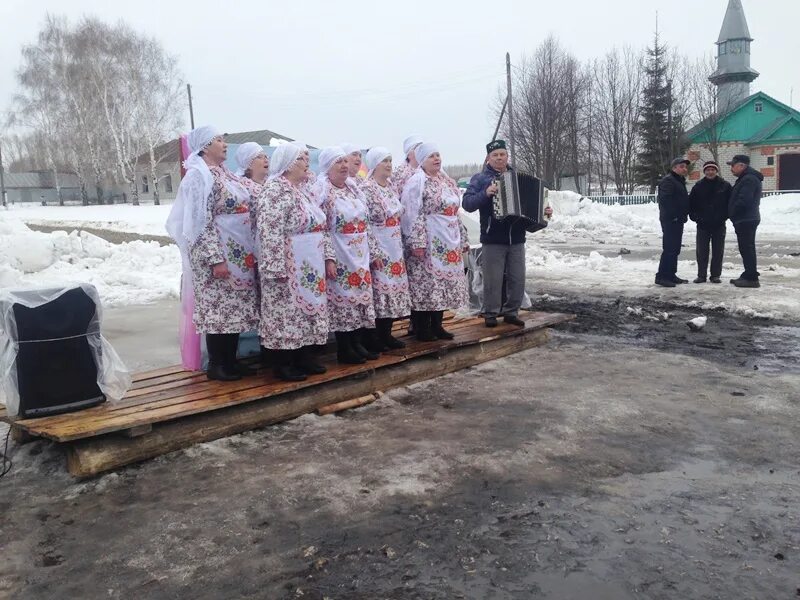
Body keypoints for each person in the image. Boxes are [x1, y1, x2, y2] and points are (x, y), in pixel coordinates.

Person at [166, 126, 259, 381]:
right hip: (216, 253)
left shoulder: (225, 174)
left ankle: (231, 360)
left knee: (234, 310)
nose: (225, 144)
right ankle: (217, 364)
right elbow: (199, 221)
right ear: (205, 146)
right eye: (219, 140)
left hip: (237, 251)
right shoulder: (198, 176)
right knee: (219, 309)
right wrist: (215, 258)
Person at [256, 143, 335, 381]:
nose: (306, 163)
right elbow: (269, 231)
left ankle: (304, 356)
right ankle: (284, 363)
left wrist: (328, 256)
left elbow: (321, 225)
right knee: (286, 311)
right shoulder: (274, 191)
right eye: (302, 159)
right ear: (289, 163)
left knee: (307, 309)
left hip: (310, 262)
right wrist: (274, 267)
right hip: (288, 262)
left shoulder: (303, 191)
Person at [316, 146, 385, 364]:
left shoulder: (353, 189)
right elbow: (321, 228)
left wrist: (374, 252)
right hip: (340, 251)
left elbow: (366, 224)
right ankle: (344, 348)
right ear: (328, 167)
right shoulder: (322, 191)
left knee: (360, 299)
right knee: (343, 300)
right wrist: (328, 257)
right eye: (339, 162)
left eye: (346, 162)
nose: (345, 166)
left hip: (359, 251)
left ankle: (357, 343)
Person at [401, 142, 469, 341]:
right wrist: (417, 241)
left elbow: (455, 212)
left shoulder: (446, 181)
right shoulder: (417, 182)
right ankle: (422, 328)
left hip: (448, 239)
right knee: (426, 285)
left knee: (442, 284)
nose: (436, 159)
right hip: (429, 240)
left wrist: (462, 237)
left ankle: (438, 325)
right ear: (422, 160)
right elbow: (413, 214)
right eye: (431, 156)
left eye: (438, 155)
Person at [462, 139, 527, 328]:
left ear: (507, 156)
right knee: (493, 278)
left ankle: (511, 312)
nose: (499, 158)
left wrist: (543, 212)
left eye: (502, 154)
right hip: (493, 238)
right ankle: (490, 313)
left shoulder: (517, 177)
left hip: (516, 238)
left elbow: (531, 203)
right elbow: (467, 203)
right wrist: (486, 193)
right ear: (488, 158)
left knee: (517, 278)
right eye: (495, 155)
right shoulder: (480, 179)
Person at [361, 147, 412, 349]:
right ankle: (374, 337)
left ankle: (387, 334)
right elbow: (366, 222)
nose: (389, 165)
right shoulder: (367, 189)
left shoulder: (390, 187)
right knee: (381, 290)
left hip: (394, 244)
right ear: (374, 164)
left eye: (391, 160)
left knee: (394, 289)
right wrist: (374, 250)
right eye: (385, 161)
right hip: (379, 243)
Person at [689, 160, 731, 284]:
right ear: (704, 171)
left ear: (716, 171)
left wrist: (724, 216)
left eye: (713, 169)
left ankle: (715, 275)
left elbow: (730, 204)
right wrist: (696, 218)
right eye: (708, 170)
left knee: (718, 251)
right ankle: (701, 275)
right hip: (703, 224)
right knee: (702, 251)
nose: (710, 172)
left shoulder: (725, 186)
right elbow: (691, 205)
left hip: (719, 224)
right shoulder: (698, 186)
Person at [727, 154, 763, 288]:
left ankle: (751, 278)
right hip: (747, 218)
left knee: (747, 248)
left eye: (733, 165)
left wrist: (733, 213)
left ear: (742, 165)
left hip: (746, 219)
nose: (731, 168)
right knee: (747, 248)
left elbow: (744, 200)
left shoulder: (748, 179)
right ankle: (749, 274)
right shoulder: (747, 178)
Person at [655, 157, 691, 288]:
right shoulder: (668, 181)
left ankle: (671, 274)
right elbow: (666, 201)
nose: (684, 169)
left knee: (675, 249)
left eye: (685, 167)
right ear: (674, 168)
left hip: (678, 220)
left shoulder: (678, 181)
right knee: (669, 248)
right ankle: (662, 276)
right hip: (671, 220)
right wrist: (674, 216)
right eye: (681, 166)